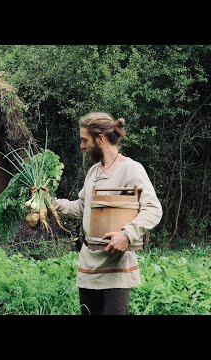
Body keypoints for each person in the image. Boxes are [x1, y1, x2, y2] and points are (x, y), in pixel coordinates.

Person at [51, 112, 163, 315]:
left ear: (100, 139)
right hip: (88, 268)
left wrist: (127, 235)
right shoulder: (93, 172)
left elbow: (153, 209)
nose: (82, 146)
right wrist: (51, 203)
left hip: (115, 270)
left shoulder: (131, 170)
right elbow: (83, 208)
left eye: (85, 140)